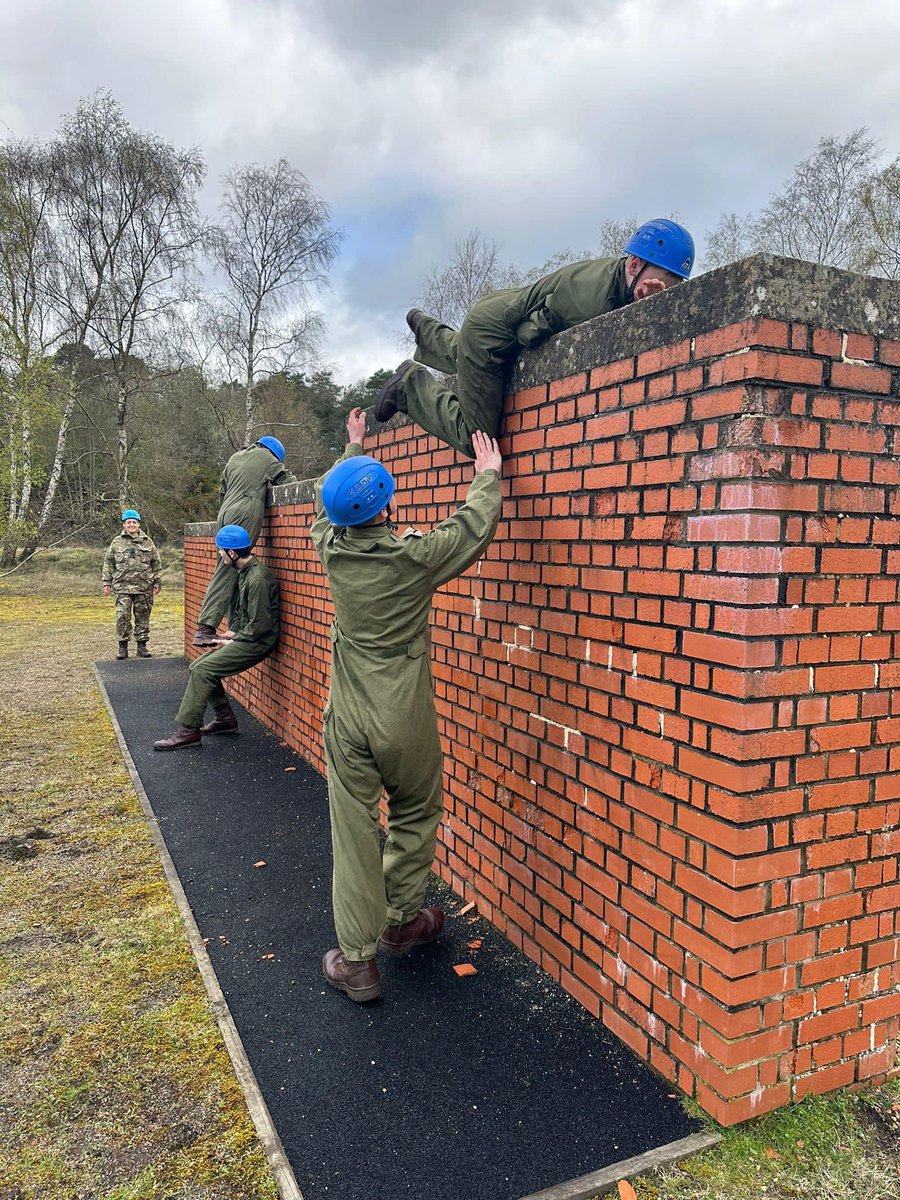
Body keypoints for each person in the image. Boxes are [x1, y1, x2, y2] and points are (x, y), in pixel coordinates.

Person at [312, 406, 503, 1003]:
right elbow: (469, 529)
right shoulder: (412, 560)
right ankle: (403, 919)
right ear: (386, 508)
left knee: (353, 831)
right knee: (417, 810)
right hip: (406, 717)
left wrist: (352, 448)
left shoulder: (330, 550)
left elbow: (330, 514)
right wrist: (488, 473)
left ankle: (358, 963)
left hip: (348, 718)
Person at [374, 218, 695, 457]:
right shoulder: (591, 299)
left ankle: (428, 332)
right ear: (635, 264)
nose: (665, 292)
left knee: (468, 351)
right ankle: (409, 386)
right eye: (661, 281)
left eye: (674, 286)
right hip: (489, 335)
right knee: (478, 440)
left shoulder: (618, 278)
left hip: (492, 312)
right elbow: (529, 334)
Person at [154, 524, 279, 751]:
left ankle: (188, 731)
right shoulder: (245, 572)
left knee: (204, 670)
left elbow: (260, 626)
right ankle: (225, 719)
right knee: (197, 666)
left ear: (232, 553)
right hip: (247, 637)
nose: (220, 555)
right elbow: (245, 614)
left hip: (257, 643)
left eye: (221, 551)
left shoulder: (256, 580)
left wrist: (230, 641)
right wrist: (230, 632)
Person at [192, 435, 296, 647]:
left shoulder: (235, 458)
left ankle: (234, 626)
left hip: (225, 512)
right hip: (245, 512)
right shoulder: (267, 458)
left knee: (230, 567)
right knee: (227, 568)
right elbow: (289, 482)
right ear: (274, 453)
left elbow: (222, 490)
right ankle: (205, 628)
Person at [101, 509, 162, 660]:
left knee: (143, 616)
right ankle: (123, 647)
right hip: (122, 586)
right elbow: (108, 563)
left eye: (134, 522)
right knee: (122, 616)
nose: (131, 525)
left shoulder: (147, 541)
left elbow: (156, 563)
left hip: (144, 586)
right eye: (129, 522)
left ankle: (142, 647)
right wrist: (106, 582)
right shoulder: (117, 542)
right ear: (124, 525)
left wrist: (157, 582)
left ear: (138, 524)